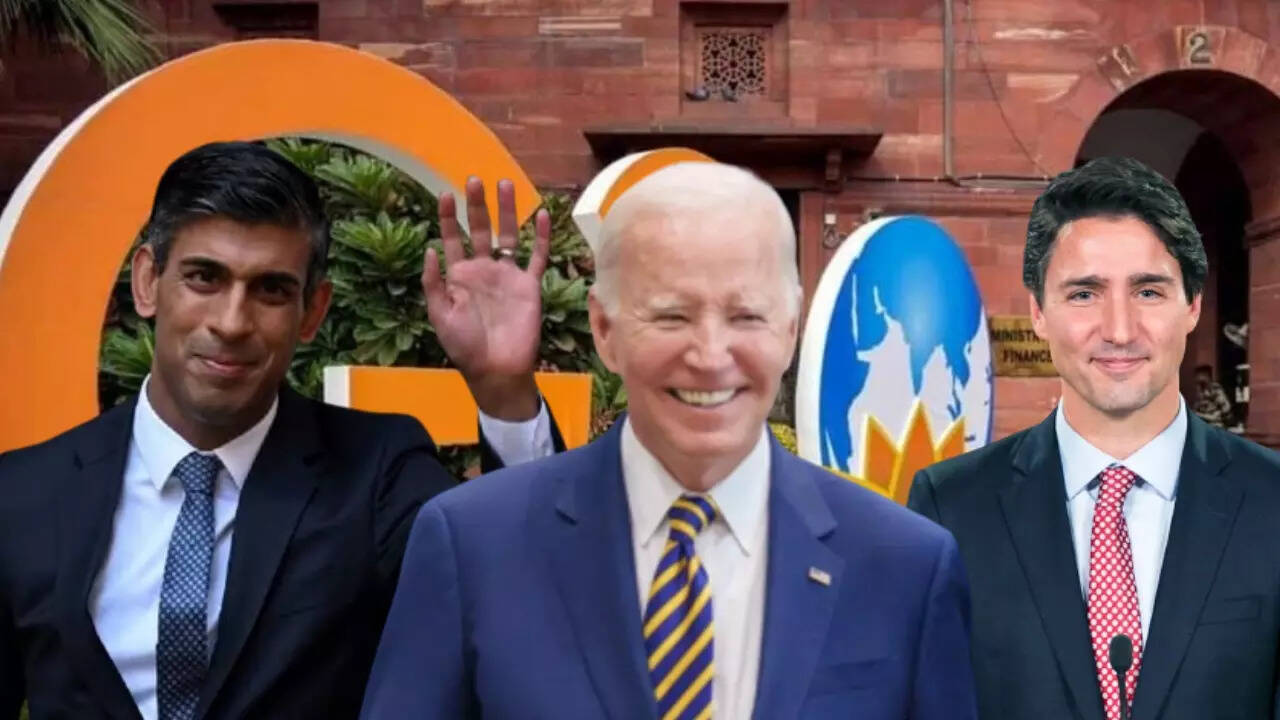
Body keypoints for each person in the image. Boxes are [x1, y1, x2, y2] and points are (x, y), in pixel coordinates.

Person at [360, 161, 977, 719]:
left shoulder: (905, 566)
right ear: (604, 330)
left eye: (746, 316)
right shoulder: (472, 547)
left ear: (790, 330)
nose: (710, 356)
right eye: (671, 316)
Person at [0, 141, 561, 720]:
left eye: (271, 290)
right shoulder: (22, 495)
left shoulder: (375, 474)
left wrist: (503, 390)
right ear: (148, 281)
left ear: (312, 310)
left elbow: (517, 600)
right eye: (204, 278)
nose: (232, 322)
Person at [909, 156, 1280, 720]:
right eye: (1084, 294)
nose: (1120, 330)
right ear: (1039, 312)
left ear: (1193, 306)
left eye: (1148, 292)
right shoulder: (951, 507)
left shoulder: (1271, 502)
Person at [1190, 364, 1233, 428]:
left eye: (1201, 375)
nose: (1198, 378)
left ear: (1207, 376)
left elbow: (1226, 409)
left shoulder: (1216, 390)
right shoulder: (1201, 390)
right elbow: (1196, 409)